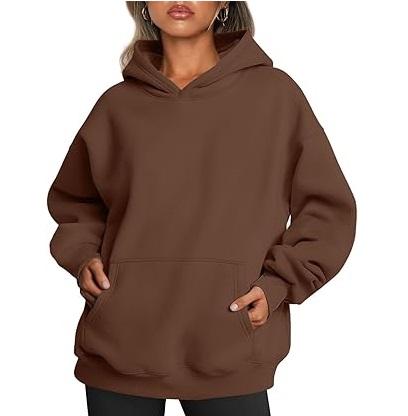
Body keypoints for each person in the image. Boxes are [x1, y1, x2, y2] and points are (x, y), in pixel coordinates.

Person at [46, 1, 357, 415]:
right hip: (120, 343)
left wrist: (279, 284)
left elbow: (328, 210)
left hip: (229, 341)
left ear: (224, 2)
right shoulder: (116, 106)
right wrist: (84, 256)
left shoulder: (275, 96)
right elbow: (78, 202)